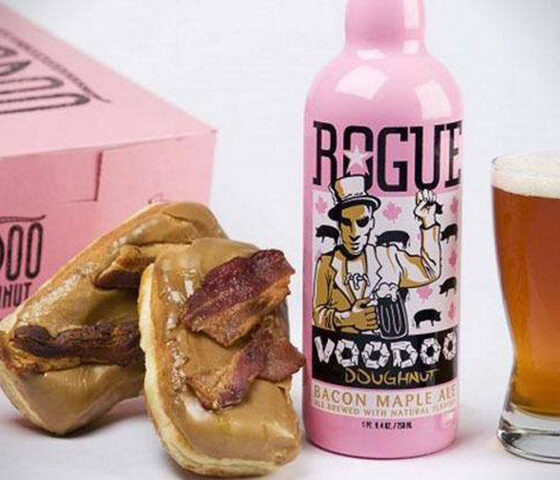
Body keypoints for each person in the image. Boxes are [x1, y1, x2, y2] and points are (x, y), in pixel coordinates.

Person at [312, 175, 442, 334]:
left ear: (371, 223)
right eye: (346, 223)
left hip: (392, 347)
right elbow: (317, 314)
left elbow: (430, 271)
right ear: (339, 225)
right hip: (336, 349)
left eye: (362, 222)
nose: (354, 233)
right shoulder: (326, 263)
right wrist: (348, 319)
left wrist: (428, 221)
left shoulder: (388, 257)